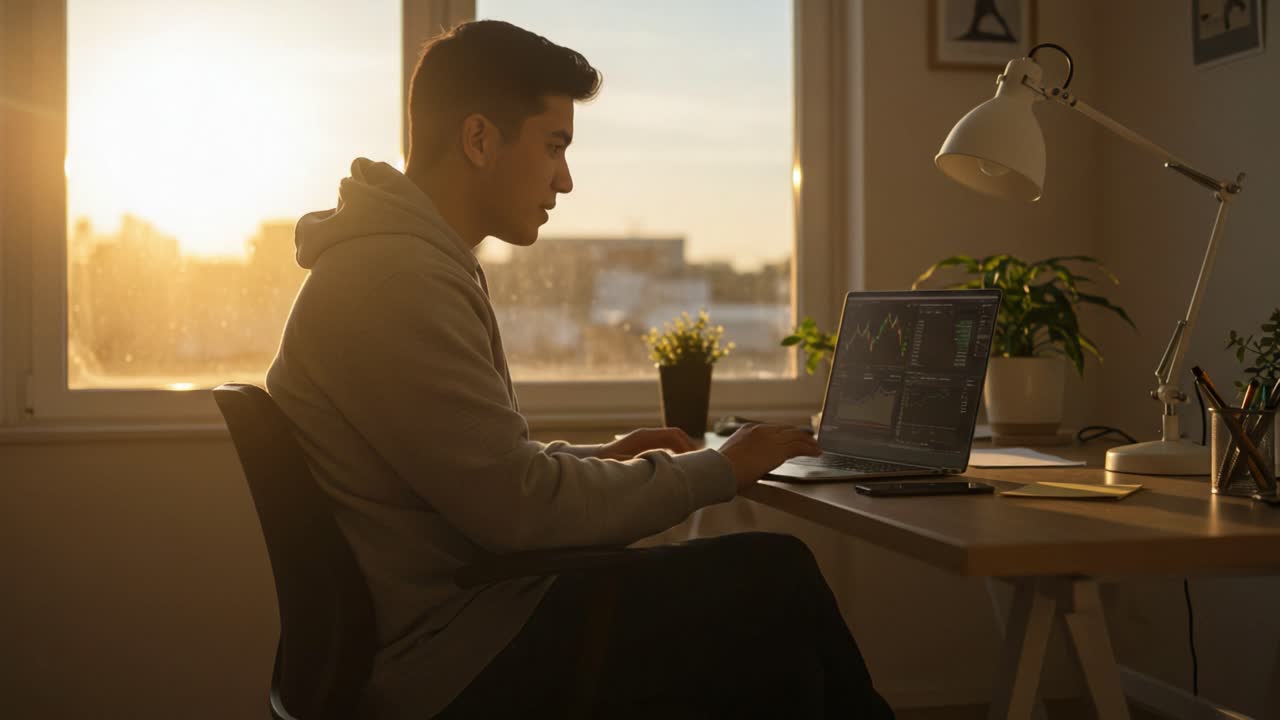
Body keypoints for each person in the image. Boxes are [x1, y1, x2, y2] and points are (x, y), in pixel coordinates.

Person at [267, 19, 893, 719]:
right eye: (553, 146)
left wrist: (603, 457)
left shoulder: (397, 263)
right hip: (451, 652)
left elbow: (478, 476)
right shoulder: (396, 281)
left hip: (459, 616)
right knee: (776, 577)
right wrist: (721, 469)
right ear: (479, 139)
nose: (564, 180)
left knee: (770, 629)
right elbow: (520, 511)